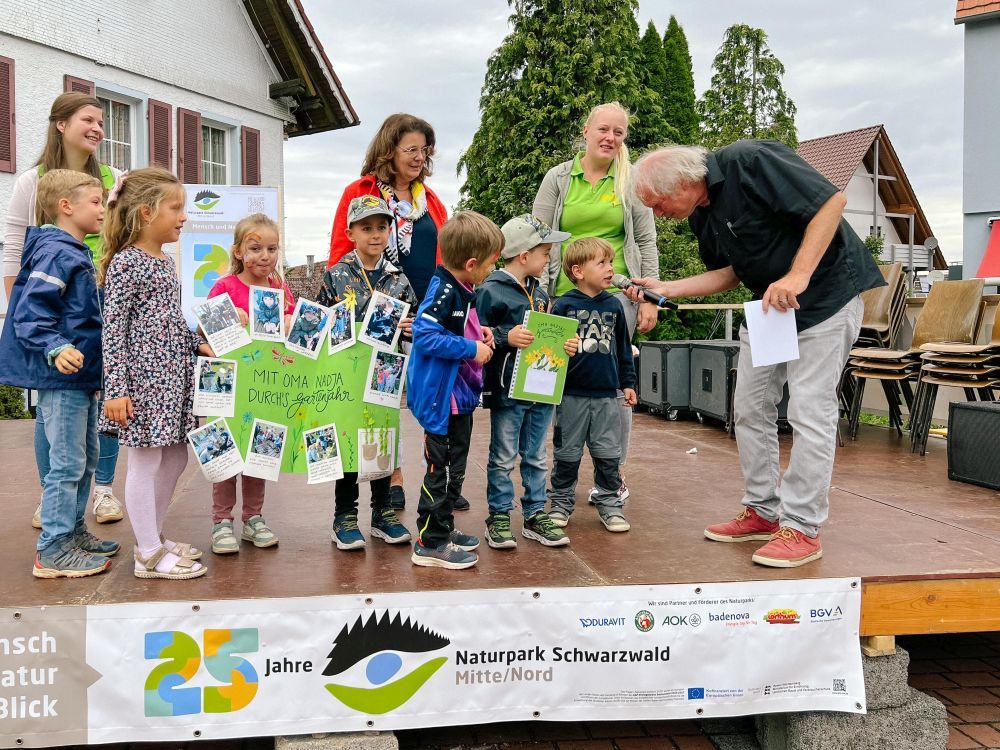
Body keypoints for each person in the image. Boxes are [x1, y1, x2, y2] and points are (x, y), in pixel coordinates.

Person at [629, 141, 883, 568]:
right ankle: (764, 511)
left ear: (685, 181)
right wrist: (667, 287)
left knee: (809, 410)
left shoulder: (751, 162)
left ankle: (801, 527)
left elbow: (831, 203)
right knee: (747, 406)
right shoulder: (702, 215)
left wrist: (798, 275)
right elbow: (731, 273)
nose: (658, 215)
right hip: (770, 310)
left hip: (825, 298)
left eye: (658, 204)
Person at [3, 93, 125, 529]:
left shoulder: (115, 179)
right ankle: (53, 494)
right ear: (60, 124)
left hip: (103, 297)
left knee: (103, 392)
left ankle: (104, 491)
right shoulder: (33, 182)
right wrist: (21, 312)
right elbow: (15, 247)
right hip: (53, 305)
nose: (97, 128)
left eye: (101, 122)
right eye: (88, 119)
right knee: (55, 398)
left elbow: (126, 237)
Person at [532, 101, 658, 506]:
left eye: (619, 132)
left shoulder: (630, 180)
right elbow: (539, 235)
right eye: (603, 129)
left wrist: (650, 297)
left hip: (619, 296)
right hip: (561, 297)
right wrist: (538, 298)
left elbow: (646, 240)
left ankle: (613, 473)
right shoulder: (558, 179)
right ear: (586, 131)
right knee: (554, 380)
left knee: (614, 386)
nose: (610, 138)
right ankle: (557, 471)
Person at [0, 170, 120, 577]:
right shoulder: (56, 251)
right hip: (63, 378)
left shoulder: (75, 249)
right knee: (66, 464)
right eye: (95, 202)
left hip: (81, 376)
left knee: (84, 462)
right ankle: (51, 549)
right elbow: (31, 312)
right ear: (66, 207)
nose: (102, 210)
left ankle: (72, 532)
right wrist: (57, 346)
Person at [327, 113, 449, 511]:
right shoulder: (359, 191)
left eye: (423, 150)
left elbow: (443, 257)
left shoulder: (428, 200)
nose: (418, 157)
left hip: (423, 312)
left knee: (426, 397)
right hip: (372, 319)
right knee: (379, 401)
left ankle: (442, 478)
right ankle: (390, 477)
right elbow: (339, 257)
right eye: (410, 149)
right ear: (389, 150)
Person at [100, 167, 212, 581]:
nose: (183, 217)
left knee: (177, 455)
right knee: (145, 462)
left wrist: (195, 343)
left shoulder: (163, 260)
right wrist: (116, 389)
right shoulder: (127, 263)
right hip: (144, 382)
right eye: (176, 208)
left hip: (172, 377)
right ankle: (147, 552)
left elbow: (166, 319)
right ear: (146, 212)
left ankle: (154, 536)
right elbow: (113, 330)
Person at [317, 196, 415, 550]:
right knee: (347, 444)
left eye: (382, 227)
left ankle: (382, 513)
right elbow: (321, 323)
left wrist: (409, 327)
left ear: (390, 231)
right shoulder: (336, 274)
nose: (376, 235)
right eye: (367, 228)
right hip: (346, 375)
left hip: (385, 376)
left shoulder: (399, 278)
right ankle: (344, 516)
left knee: (382, 440)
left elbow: (415, 321)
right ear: (351, 233)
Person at [476, 214, 579, 550]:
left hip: (541, 389)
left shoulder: (543, 293)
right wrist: (507, 336)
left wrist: (567, 346)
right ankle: (500, 516)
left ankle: (535, 514)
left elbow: (549, 336)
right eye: (545, 253)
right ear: (524, 255)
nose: (548, 259)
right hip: (508, 391)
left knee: (536, 455)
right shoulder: (489, 292)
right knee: (504, 456)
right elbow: (479, 336)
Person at [406, 211, 500, 569]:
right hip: (440, 401)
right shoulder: (442, 288)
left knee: (453, 471)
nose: (493, 270)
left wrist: (481, 334)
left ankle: (442, 527)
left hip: (458, 399)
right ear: (472, 263)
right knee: (438, 471)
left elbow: (461, 327)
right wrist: (470, 349)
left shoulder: (464, 288)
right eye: (492, 263)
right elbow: (426, 334)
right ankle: (429, 542)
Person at [205, 214, 294, 554]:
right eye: (256, 248)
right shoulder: (224, 287)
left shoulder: (279, 289)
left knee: (260, 453)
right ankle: (221, 521)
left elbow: (296, 332)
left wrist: (290, 321)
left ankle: (253, 517)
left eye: (272, 248)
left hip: (266, 388)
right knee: (226, 454)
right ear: (239, 251)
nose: (265, 256)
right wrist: (229, 316)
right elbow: (203, 332)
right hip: (227, 388)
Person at [547, 238, 637, 533]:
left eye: (611, 262)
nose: (610, 269)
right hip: (570, 395)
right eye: (602, 263)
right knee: (567, 454)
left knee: (608, 454)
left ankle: (610, 503)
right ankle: (560, 502)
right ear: (578, 270)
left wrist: (628, 383)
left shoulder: (614, 305)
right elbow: (549, 349)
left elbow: (624, 348)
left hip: (606, 397)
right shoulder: (563, 305)